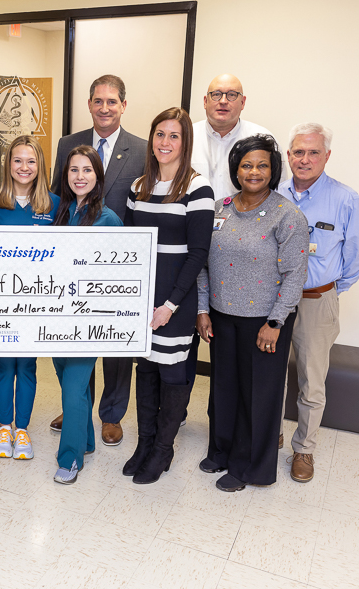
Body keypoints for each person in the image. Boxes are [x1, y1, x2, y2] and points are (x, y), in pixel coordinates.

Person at [196, 134, 309, 492]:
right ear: (236, 169)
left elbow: (296, 275)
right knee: (224, 390)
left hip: (264, 321)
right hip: (221, 316)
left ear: (273, 170)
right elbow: (202, 264)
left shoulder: (286, 214)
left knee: (257, 396)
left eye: (262, 165)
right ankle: (222, 450)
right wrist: (202, 309)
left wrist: (275, 322)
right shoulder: (220, 208)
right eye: (247, 164)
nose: (254, 171)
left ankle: (250, 467)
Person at [49, 74, 147, 446]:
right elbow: (59, 197)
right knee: (75, 338)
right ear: (89, 104)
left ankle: (112, 414)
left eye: (112, 101)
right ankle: (78, 405)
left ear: (123, 105)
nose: (104, 108)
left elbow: (140, 208)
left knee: (115, 344)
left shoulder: (140, 149)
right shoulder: (68, 144)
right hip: (71, 263)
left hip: (115, 261)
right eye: (98, 101)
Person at [124, 107, 214, 484]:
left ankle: (163, 449)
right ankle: (144, 444)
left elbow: (198, 255)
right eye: (160, 134)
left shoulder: (198, 189)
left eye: (174, 135)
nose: (165, 142)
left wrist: (170, 305)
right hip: (141, 298)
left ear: (185, 142)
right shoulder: (138, 186)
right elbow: (127, 248)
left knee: (174, 375)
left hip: (175, 300)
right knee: (144, 370)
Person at [277, 123, 359, 483]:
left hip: (317, 301)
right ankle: (271, 435)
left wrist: (326, 290)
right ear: (288, 155)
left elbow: (355, 259)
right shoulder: (273, 193)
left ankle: (304, 449)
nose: (305, 159)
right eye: (298, 151)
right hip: (273, 303)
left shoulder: (346, 200)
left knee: (311, 381)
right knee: (271, 374)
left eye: (313, 152)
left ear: (326, 156)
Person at [0, 135, 59, 460]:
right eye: (18, 160)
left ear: (40, 166)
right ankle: (4, 425)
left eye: (31, 161)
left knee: (27, 366)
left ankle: (23, 429)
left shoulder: (53, 205)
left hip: (36, 302)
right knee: (3, 367)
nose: (24, 167)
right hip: (0, 300)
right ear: (7, 164)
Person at [51, 145, 123, 484]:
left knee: (72, 389)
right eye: (74, 171)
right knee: (72, 384)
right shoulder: (60, 212)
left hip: (88, 322)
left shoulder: (108, 220)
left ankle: (70, 459)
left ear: (98, 176)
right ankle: (88, 441)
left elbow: (119, 278)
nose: (80, 177)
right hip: (56, 317)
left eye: (87, 171)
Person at [191, 74, 286, 200]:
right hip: (192, 218)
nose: (223, 101)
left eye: (231, 95)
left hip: (248, 218)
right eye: (216, 94)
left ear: (243, 102)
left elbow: (278, 191)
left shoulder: (264, 140)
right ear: (205, 101)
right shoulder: (185, 137)